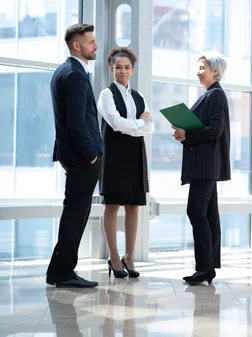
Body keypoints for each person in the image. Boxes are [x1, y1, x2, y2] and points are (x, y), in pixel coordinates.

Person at [47, 23, 102, 288]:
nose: (96, 46)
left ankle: (55, 270)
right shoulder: (76, 75)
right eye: (91, 42)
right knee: (76, 213)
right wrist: (92, 155)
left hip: (72, 154)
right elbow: (77, 122)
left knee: (74, 211)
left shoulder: (62, 71)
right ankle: (65, 272)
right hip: (82, 157)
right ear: (77, 45)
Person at [172, 51, 230, 285]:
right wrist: (185, 135)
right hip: (205, 164)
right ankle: (208, 267)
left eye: (202, 68)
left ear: (215, 71)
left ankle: (204, 268)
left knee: (196, 212)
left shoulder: (215, 95)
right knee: (208, 215)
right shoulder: (210, 95)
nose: (198, 72)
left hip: (206, 166)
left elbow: (216, 129)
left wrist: (188, 134)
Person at [98, 47, 155, 278]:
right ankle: (113, 257)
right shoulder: (106, 94)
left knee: (133, 206)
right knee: (112, 205)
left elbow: (150, 127)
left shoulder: (139, 96)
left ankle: (129, 257)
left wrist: (136, 125)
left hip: (135, 154)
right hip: (113, 154)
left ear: (133, 69)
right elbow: (116, 124)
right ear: (111, 69)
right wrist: (138, 123)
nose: (123, 71)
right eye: (118, 67)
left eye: (127, 67)